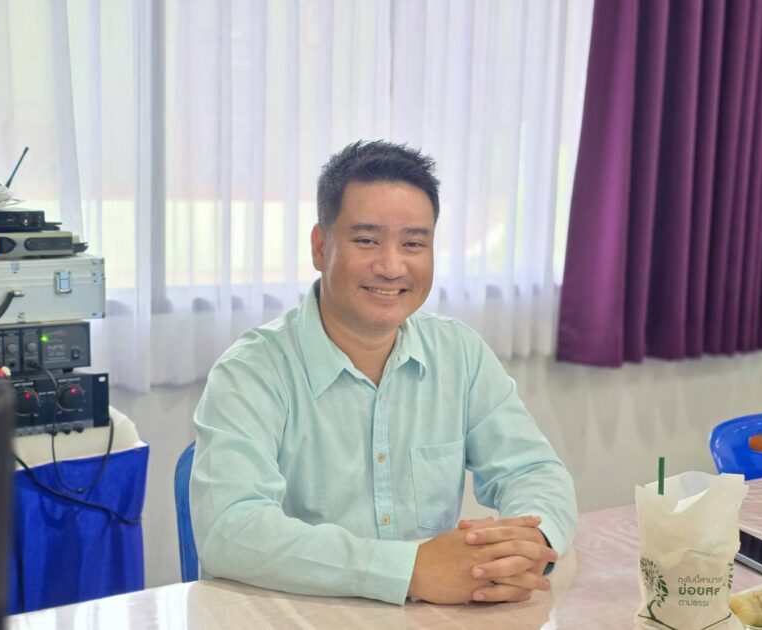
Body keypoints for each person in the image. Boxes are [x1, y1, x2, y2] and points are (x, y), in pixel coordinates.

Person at [191, 140, 577, 606]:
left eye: (413, 243)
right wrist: (408, 570)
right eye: (367, 241)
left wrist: (527, 546)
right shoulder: (251, 371)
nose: (392, 267)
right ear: (321, 247)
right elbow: (230, 529)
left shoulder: (459, 353)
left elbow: (534, 471)